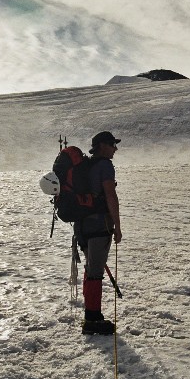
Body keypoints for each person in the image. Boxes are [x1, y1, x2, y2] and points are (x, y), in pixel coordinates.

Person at [77, 131, 122, 334]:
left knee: (90, 269)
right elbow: (110, 195)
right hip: (99, 226)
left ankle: (92, 314)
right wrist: (118, 226)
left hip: (82, 226)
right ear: (103, 145)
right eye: (113, 144)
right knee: (95, 272)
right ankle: (92, 319)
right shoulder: (105, 166)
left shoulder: (86, 165)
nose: (115, 148)